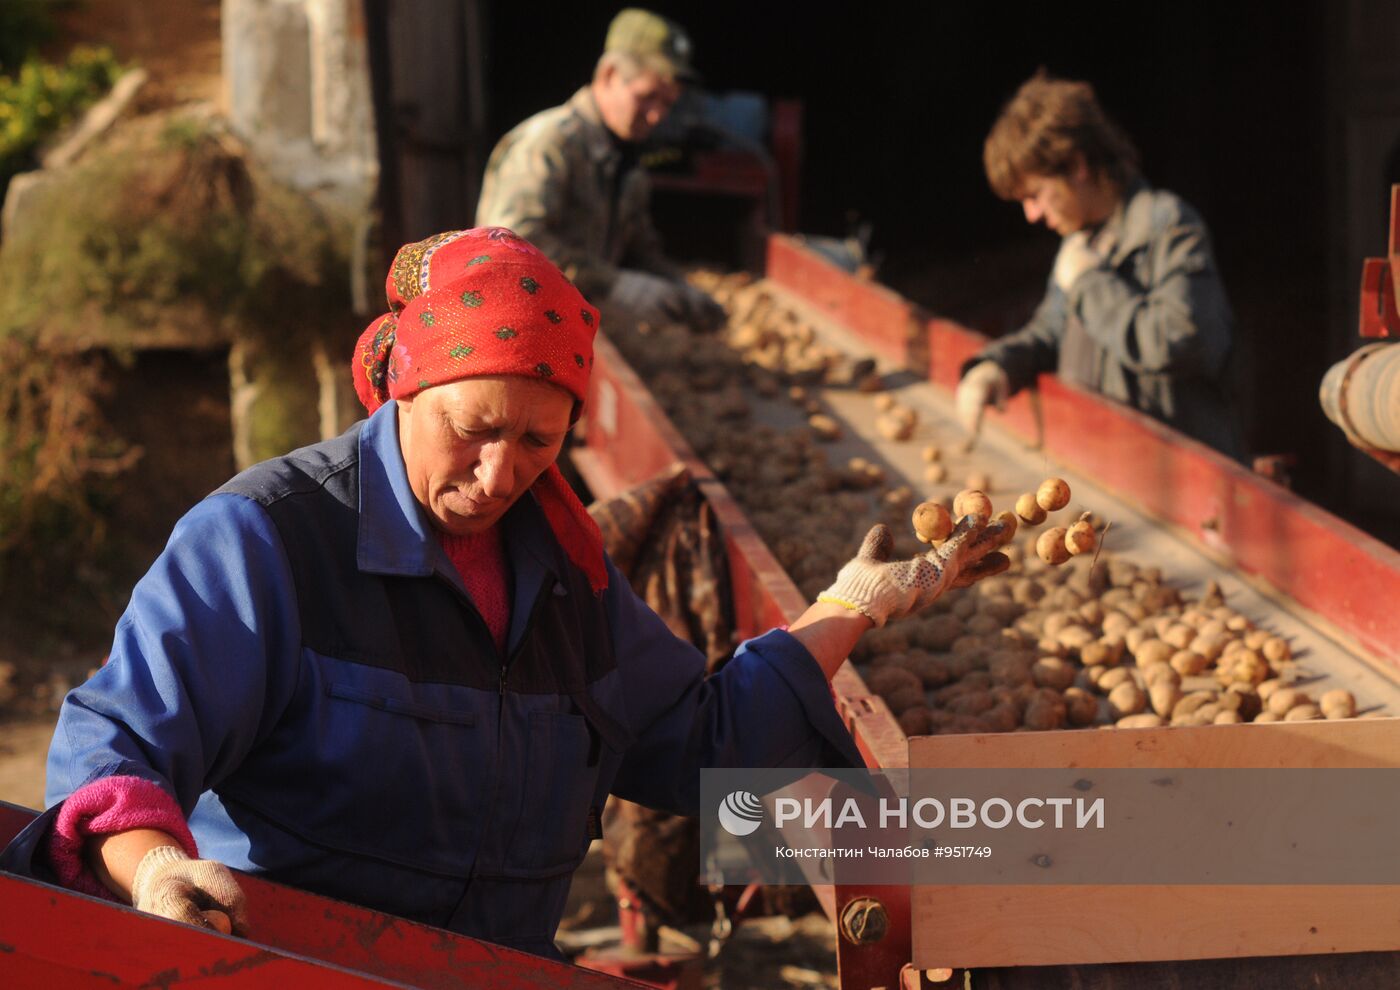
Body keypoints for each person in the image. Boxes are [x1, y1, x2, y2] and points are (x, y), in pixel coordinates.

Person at [1, 227, 1009, 959]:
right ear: (406, 386)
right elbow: (117, 742)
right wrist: (153, 870)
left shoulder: (565, 576)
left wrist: (855, 605)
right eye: (473, 427)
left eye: (537, 441)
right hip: (296, 970)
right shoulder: (269, 539)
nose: (498, 473)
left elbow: (703, 747)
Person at [956, 72, 1243, 460]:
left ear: (1076, 166)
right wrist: (996, 366)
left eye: (1036, 195)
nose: (1031, 214)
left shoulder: (1168, 224)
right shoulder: (1079, 243)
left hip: (1176, 482)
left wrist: (1091, 282)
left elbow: (1183, 340)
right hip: (1105, 471)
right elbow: (1048, 333)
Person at [475, 8, 725, 331]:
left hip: (572, 327)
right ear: (608, 75)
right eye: (647, 97)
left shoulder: (627, 166)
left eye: (667, 103)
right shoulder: (549, 144)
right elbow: (509, 247)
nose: (656, 116)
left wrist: (679, 287)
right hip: (519, 330)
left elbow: (639, 249)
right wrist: (613, 284)